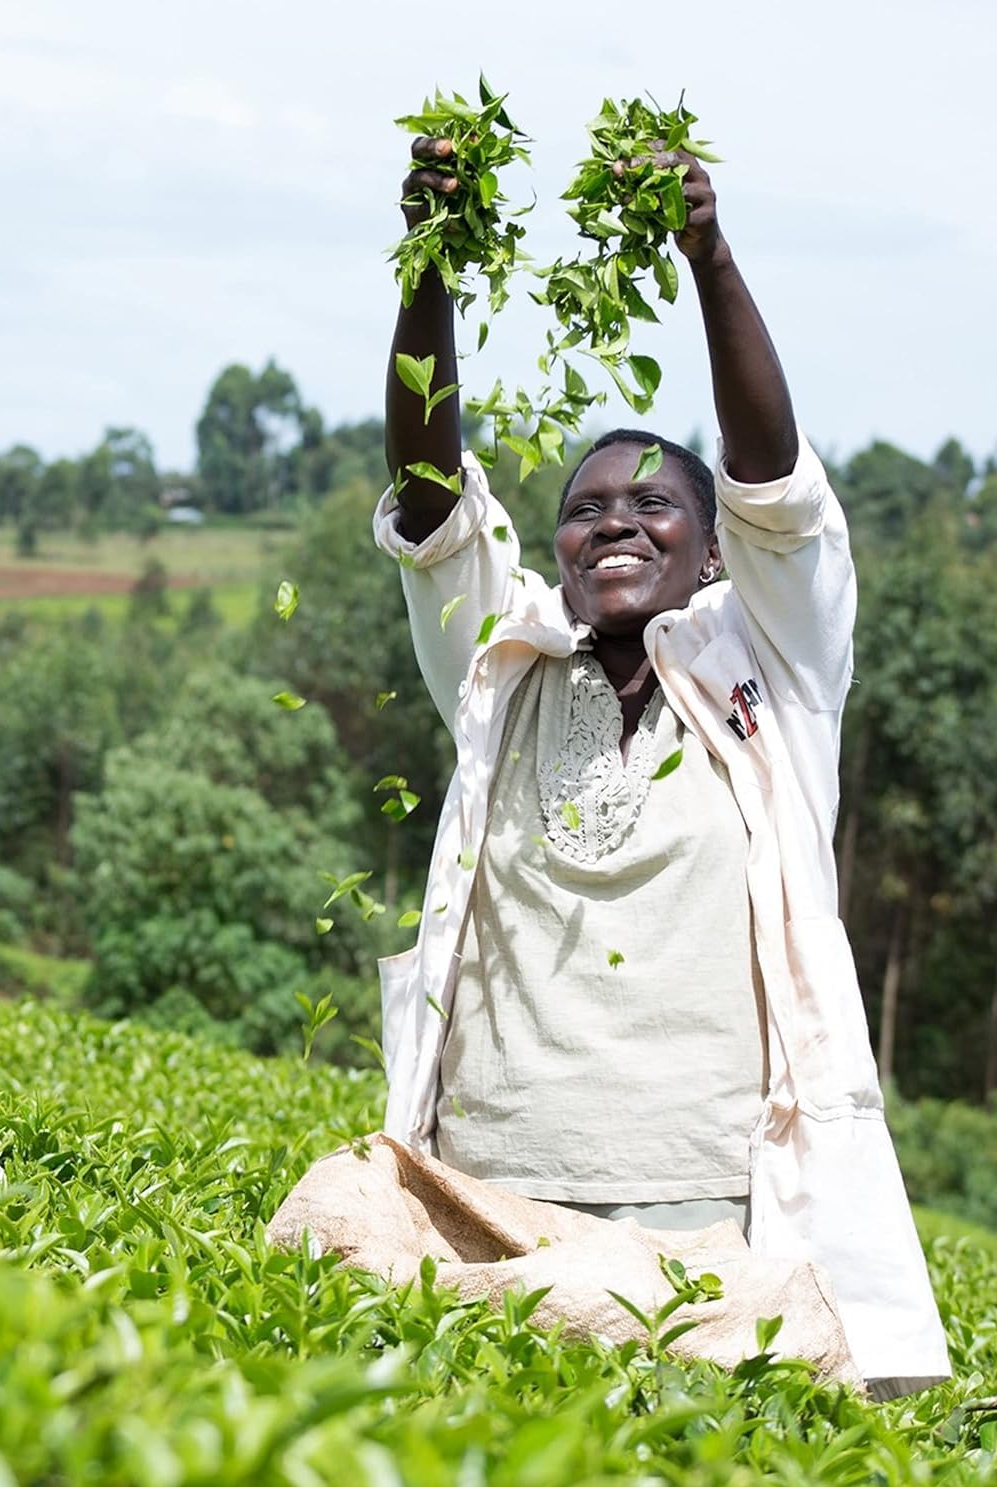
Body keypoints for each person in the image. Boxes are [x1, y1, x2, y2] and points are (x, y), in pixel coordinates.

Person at [374, 134, 949, 1398]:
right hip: (491, 1180)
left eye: (653, 507)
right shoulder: (504, 669)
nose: (612, 521)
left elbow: (776, 486)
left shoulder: (768, 678)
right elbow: (429, 505)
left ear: (712, 559)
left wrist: (709, 256)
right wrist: (431, 262)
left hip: (704, 1205)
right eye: (585, 507)